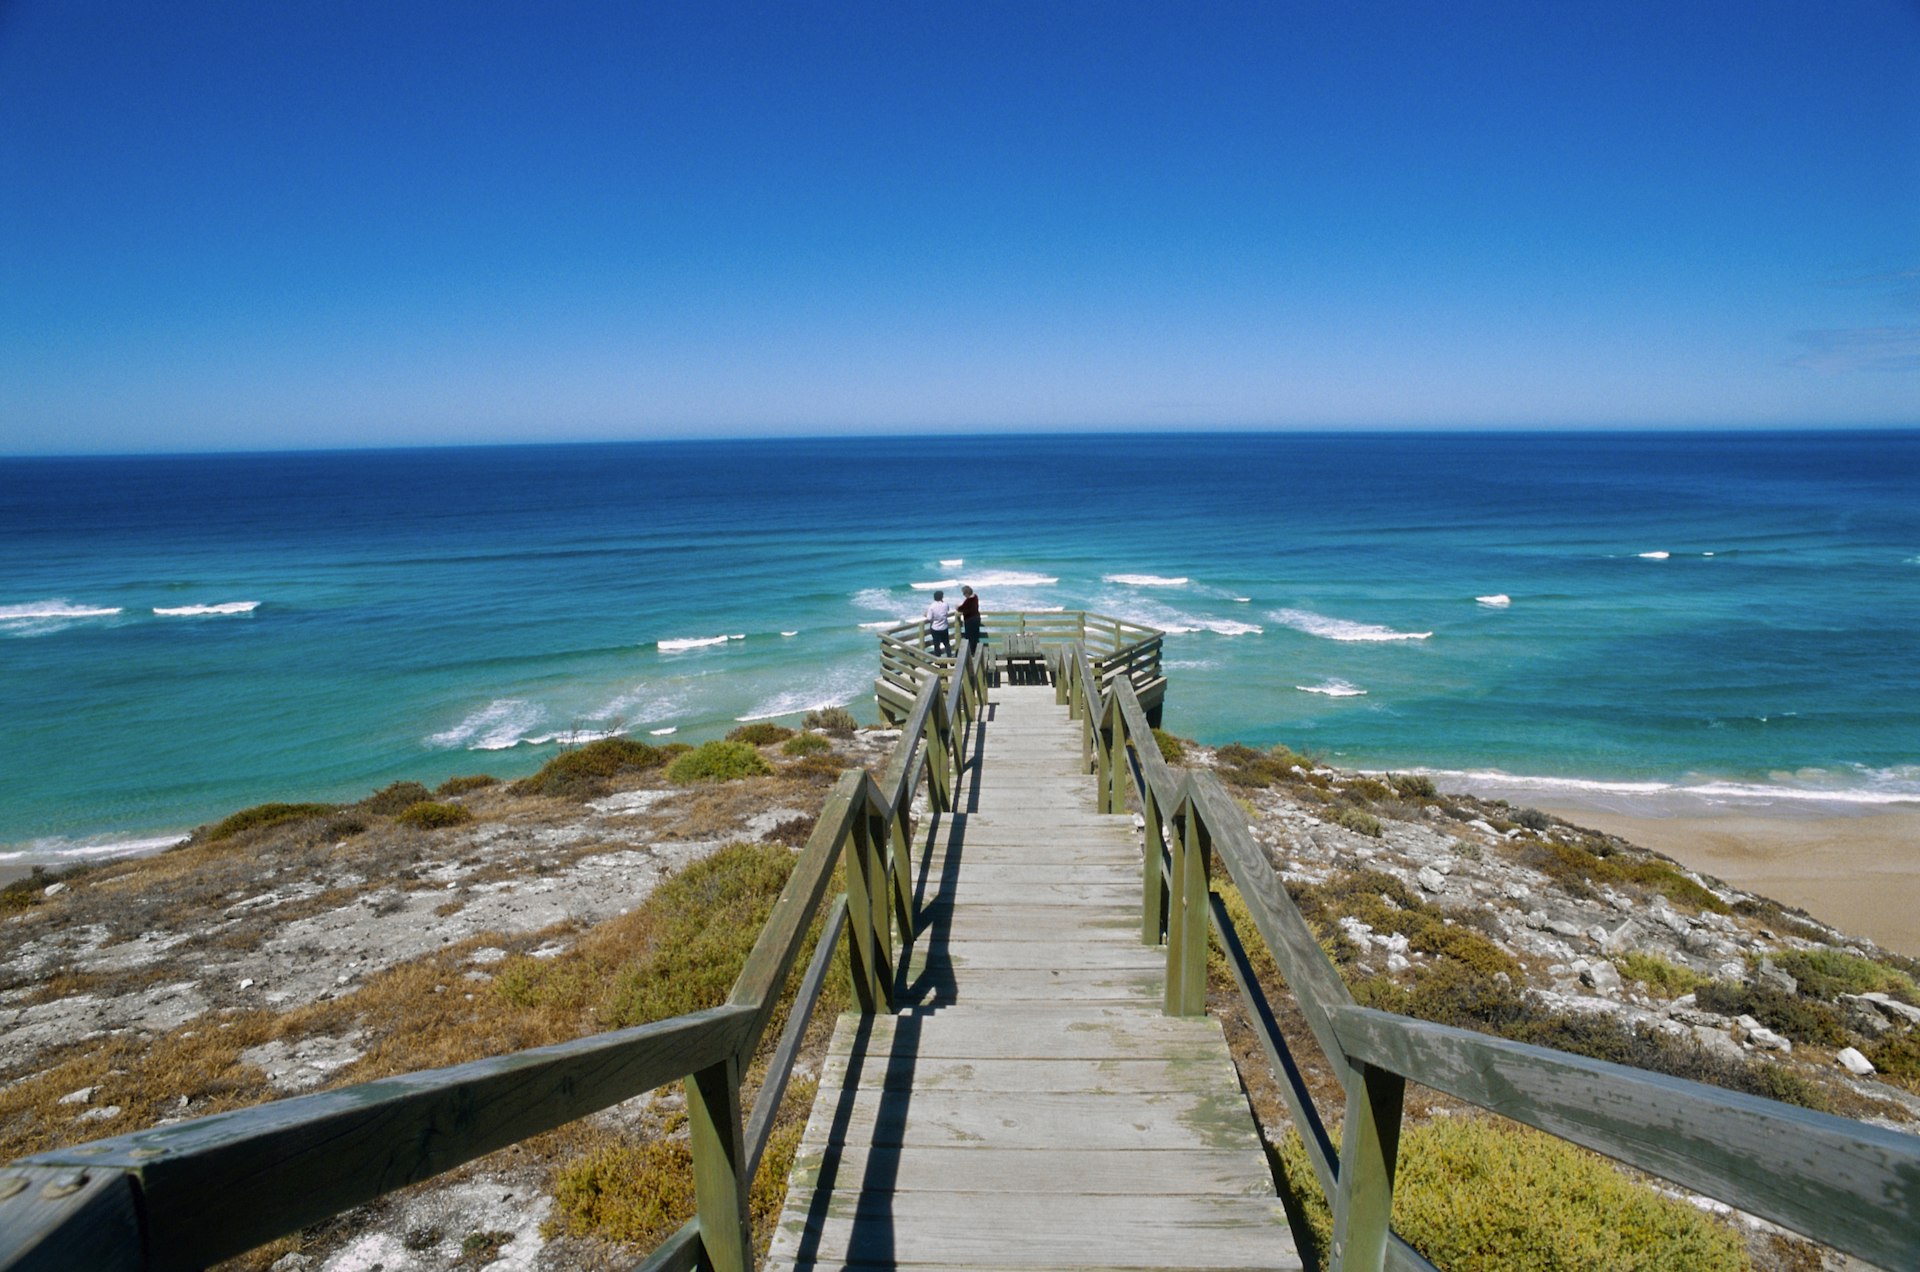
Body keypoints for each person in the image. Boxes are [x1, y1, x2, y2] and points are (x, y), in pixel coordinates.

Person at [925, 589, 952, 656]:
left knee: (937, 645)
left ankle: (938, 660)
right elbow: (947, 611)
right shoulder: (945, 604)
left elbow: (929, 618)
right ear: (941, 597)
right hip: (944, 627)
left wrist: (925, 615)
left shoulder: (932, 606)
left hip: (935, 628)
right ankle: (950, 658)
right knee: (946, 643)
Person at [955, 584, 982, 649]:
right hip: (976, 618)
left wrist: (957, 607)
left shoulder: (968, 601)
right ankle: (975, 650)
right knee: (975, 636)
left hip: (970, 620)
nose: (963, 595)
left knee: (970, 637)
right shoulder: (975, 597)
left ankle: (971, 652)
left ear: (966, 593)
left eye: (964, 593)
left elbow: (962, 608)